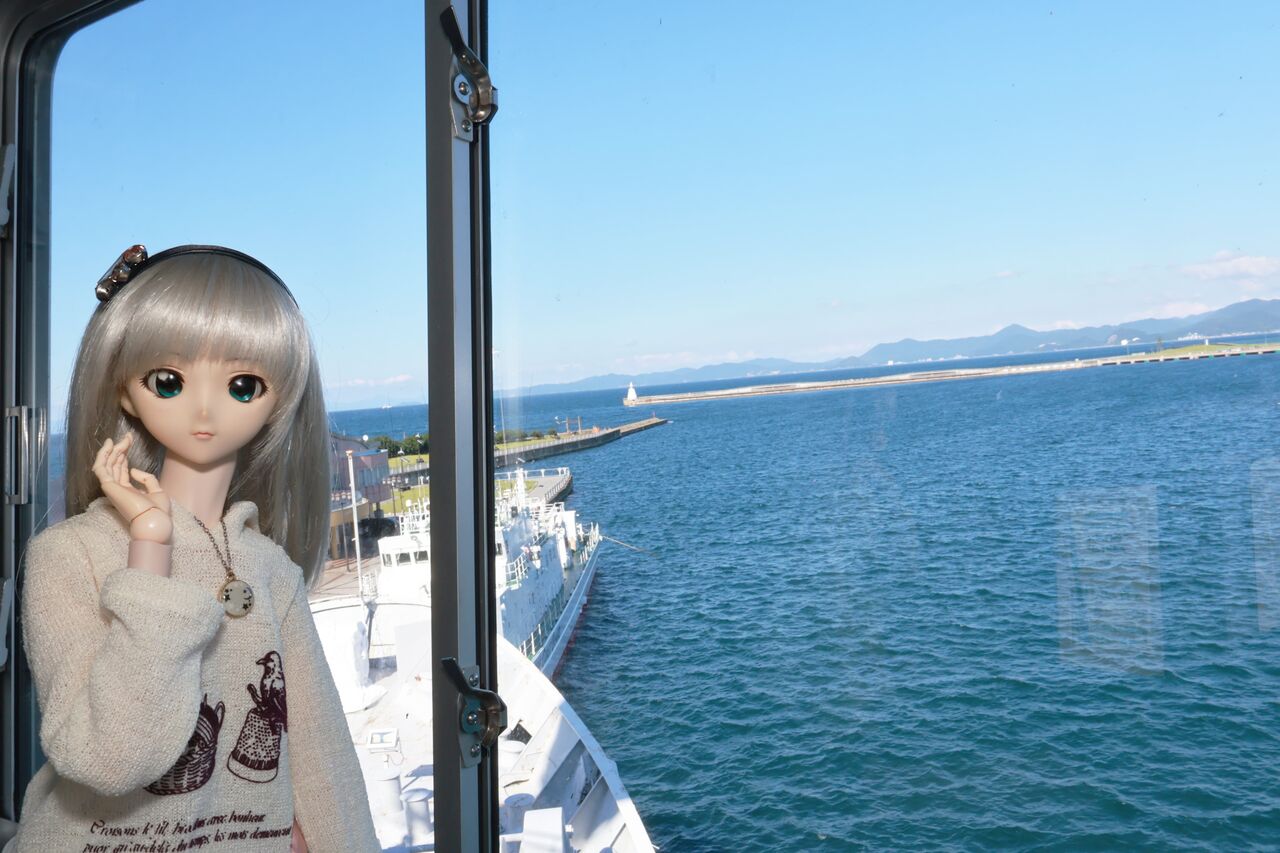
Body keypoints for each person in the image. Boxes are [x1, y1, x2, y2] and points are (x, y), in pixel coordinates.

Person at [10, 246, 379, 851]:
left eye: (242, 385)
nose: (204, 409)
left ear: (280, 400)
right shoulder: (68, 555)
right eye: (169, 382)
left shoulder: (270, 569)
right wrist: (150, 548)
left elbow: (321, 751)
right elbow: (110, 757)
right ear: (125, 392)